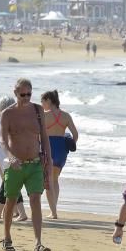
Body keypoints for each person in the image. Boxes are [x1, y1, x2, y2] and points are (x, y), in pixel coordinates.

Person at [0, 78, 52, 251]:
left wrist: (49, 162)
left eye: (29, 94)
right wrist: (11, 157)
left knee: (35, 199)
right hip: (15, 166)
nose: (26, 97)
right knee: (11, 201)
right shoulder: (7, 114)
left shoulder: (38, 110)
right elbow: (3, 141)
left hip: (35, 164)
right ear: (15, 93)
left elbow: (44, 137)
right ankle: (6, 238)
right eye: (23, 94)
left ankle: (38, 243)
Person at [0, 96, 27, 222]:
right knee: (10, 182)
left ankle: (17, 212)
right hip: (15, 153)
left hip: (2, 155)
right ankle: (10, 210)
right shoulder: (18, 120)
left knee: (9, 182)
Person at [41, 90, 78, 219]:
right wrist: (70, 145)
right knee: (55, 179)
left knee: (48, 181)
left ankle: (54, 212)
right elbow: (75, 134)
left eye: (43, 101)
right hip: (62, 148)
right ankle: (53, 209)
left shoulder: (44, 116)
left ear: (49, 100)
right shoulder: (66, 116)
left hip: (49, 147)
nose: (42, 104)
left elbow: (37, 134)